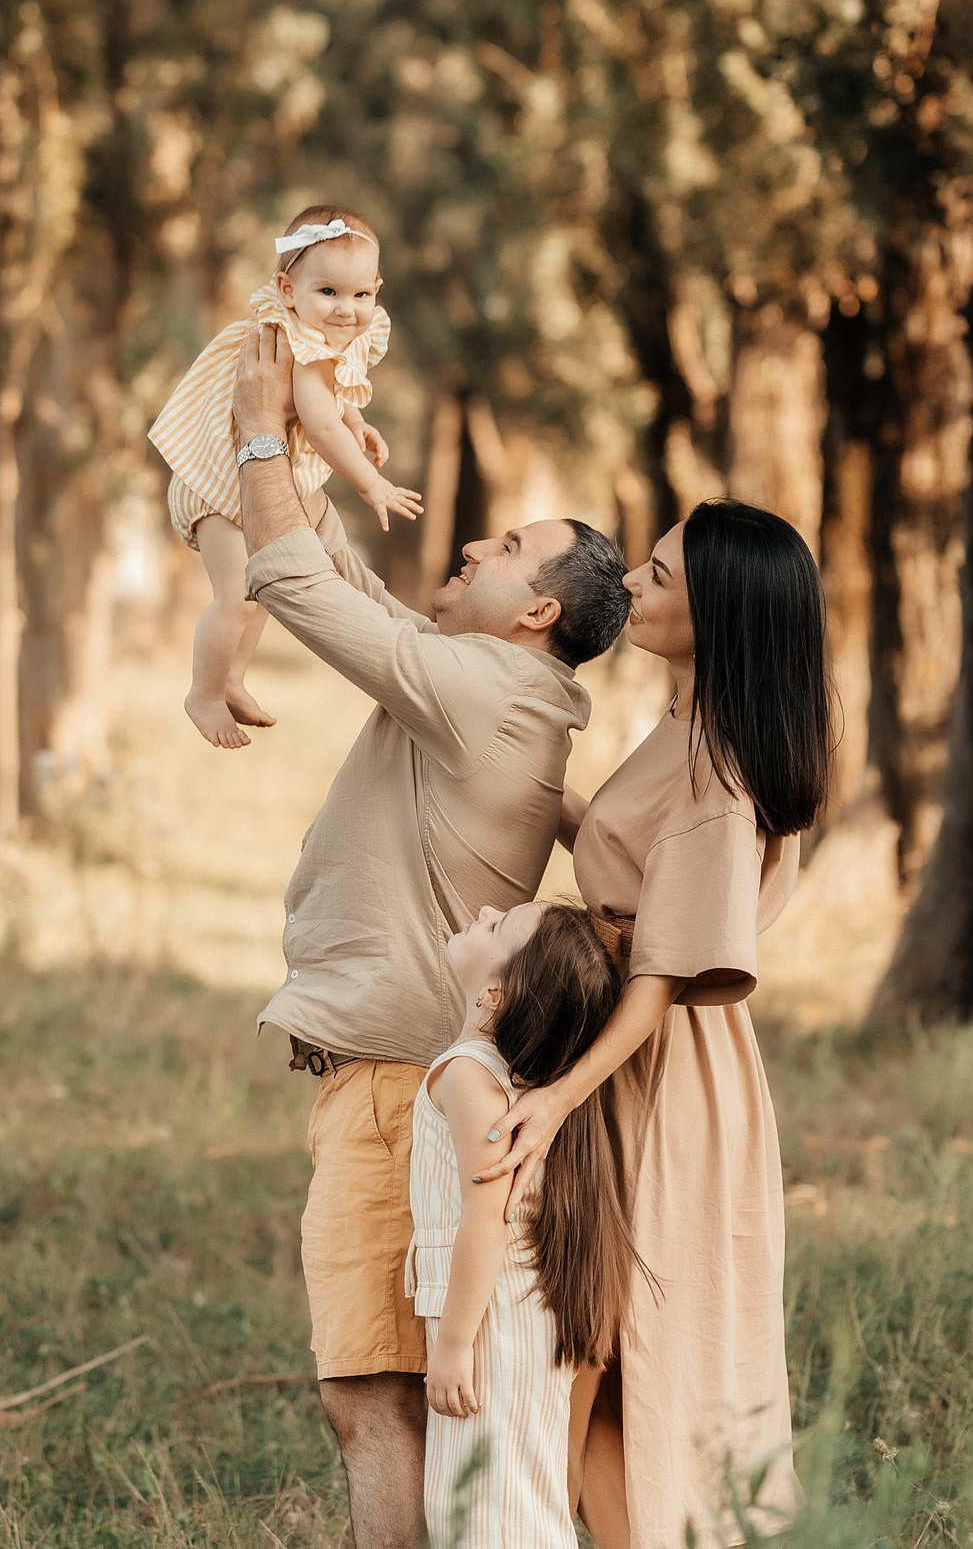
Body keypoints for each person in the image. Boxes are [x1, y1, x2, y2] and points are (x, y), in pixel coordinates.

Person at [226, 324, 631, 1549]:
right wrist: (305, 449)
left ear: (538, 612)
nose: (471, 546)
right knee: (389, 1397)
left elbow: (293, 585)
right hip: (403, 1075)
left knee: (370, 1399)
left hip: (405, 1088)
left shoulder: (485, 691)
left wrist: (252, 431)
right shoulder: (482, 678)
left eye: (506, 550)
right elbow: (347, 586)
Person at [479, 499, 828, 1548]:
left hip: (662, 1077)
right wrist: (543, 797)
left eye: (661, 578)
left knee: (617, 1348)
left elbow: (663, 977)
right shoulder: (681, 725)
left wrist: (552, 1102)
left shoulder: (720, 773)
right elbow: (639, 866)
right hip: (628, 1051)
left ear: (717, 614)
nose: (631, 582)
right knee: (594, 1353)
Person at [146, 204, 423, 749]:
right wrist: (371, 483)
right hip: (218, 484)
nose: (346, 310)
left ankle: (232, 678)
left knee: (265, 585)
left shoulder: (325, 331)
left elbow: (333, 394)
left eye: (361, 295)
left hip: (241, 480)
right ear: (287, 288)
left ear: (376, 289)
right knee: (237, 596)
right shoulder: (298, 338)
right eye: (329, 293)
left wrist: (359, 420)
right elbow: (317, 421)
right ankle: (203, 691)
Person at [413, 901, 645, 1548]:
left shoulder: (467, 1077)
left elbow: (485, 1218)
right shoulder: (506, 1077)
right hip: (512, 1315)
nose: (484, 910)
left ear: (494, 993)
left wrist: (455, 1344)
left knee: (492, 1511)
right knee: (514, 1498)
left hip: (490, 1325)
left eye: (496, 926)